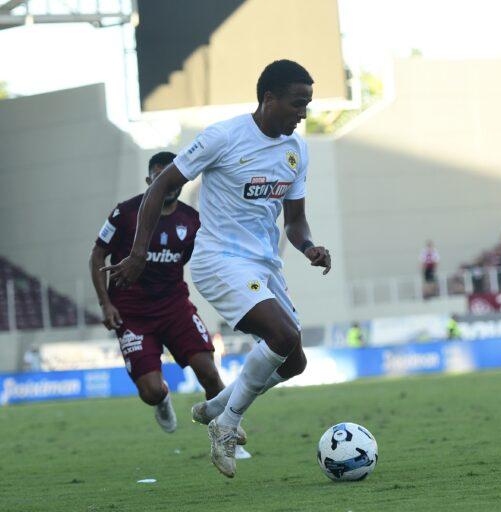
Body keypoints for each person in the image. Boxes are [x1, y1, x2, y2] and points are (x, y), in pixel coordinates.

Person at [102, 60, 331, 478]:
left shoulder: (297, 150)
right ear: (269, 98)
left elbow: (295, 221)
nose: (303, 114)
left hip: (264, 264)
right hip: (219, 260)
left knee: (293, 362)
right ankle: (226, 424)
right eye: (297, 104)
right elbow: (161, 187)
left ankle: (216, 407)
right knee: (282, 335)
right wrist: (138, 253)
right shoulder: (223, 137)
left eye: (307, 105)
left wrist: (309, 247)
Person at [89, 152, 249, 458]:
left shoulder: (192, 221)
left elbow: (197, 259)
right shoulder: (125, 213)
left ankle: (226, 435)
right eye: (159, 177)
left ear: (182, 180)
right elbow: (97, 255)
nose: (167, 185)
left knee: (209, 372)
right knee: (150, 391)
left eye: (172, 178)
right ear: (149, 180)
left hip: (175, 308)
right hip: (132, 313)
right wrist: (105, 304)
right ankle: (162, 399)